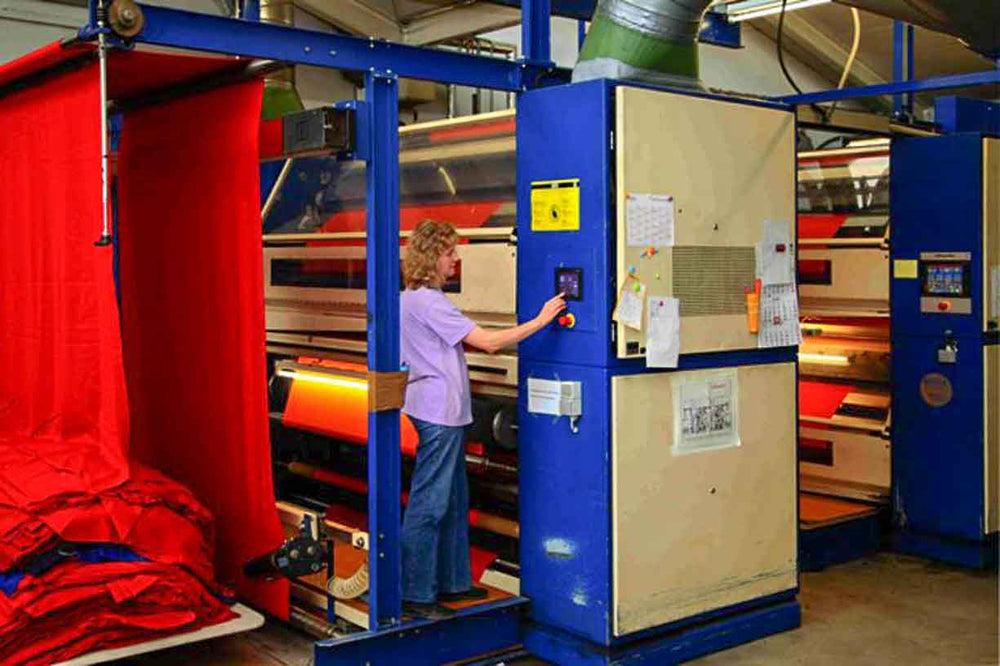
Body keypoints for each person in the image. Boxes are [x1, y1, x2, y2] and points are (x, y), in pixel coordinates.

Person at [399, 219, 565, 613]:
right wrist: (542, 321)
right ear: (430, 257)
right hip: (439, 415)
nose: (455, 260)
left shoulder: (408, 298)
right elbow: (488, 343)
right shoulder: (429, 302)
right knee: (431, 504)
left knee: (454, 499)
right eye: (449, 252)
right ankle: (415, 592)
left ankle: (454, 582)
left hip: (439, 410)